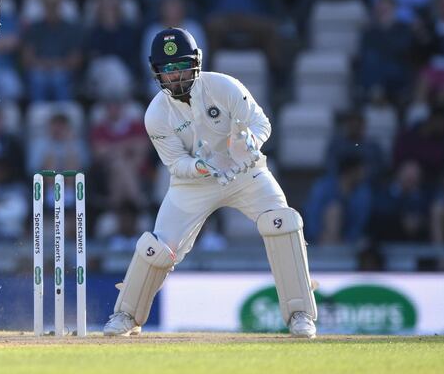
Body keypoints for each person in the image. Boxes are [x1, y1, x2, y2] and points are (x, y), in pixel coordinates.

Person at [102, 28, 317, 338]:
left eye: (181, 67)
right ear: (156, 72)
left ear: (196, 63)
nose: (175, 77)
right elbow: (176, 163)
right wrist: (203, 167)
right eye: (168, 70)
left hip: (246, 172)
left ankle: (300, 314)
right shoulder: (157, 114)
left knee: (281, 221)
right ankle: (126, 315)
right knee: (158, 246)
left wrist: (248, 143)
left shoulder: (224, 86)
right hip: (194, 184)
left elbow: (262, 123)